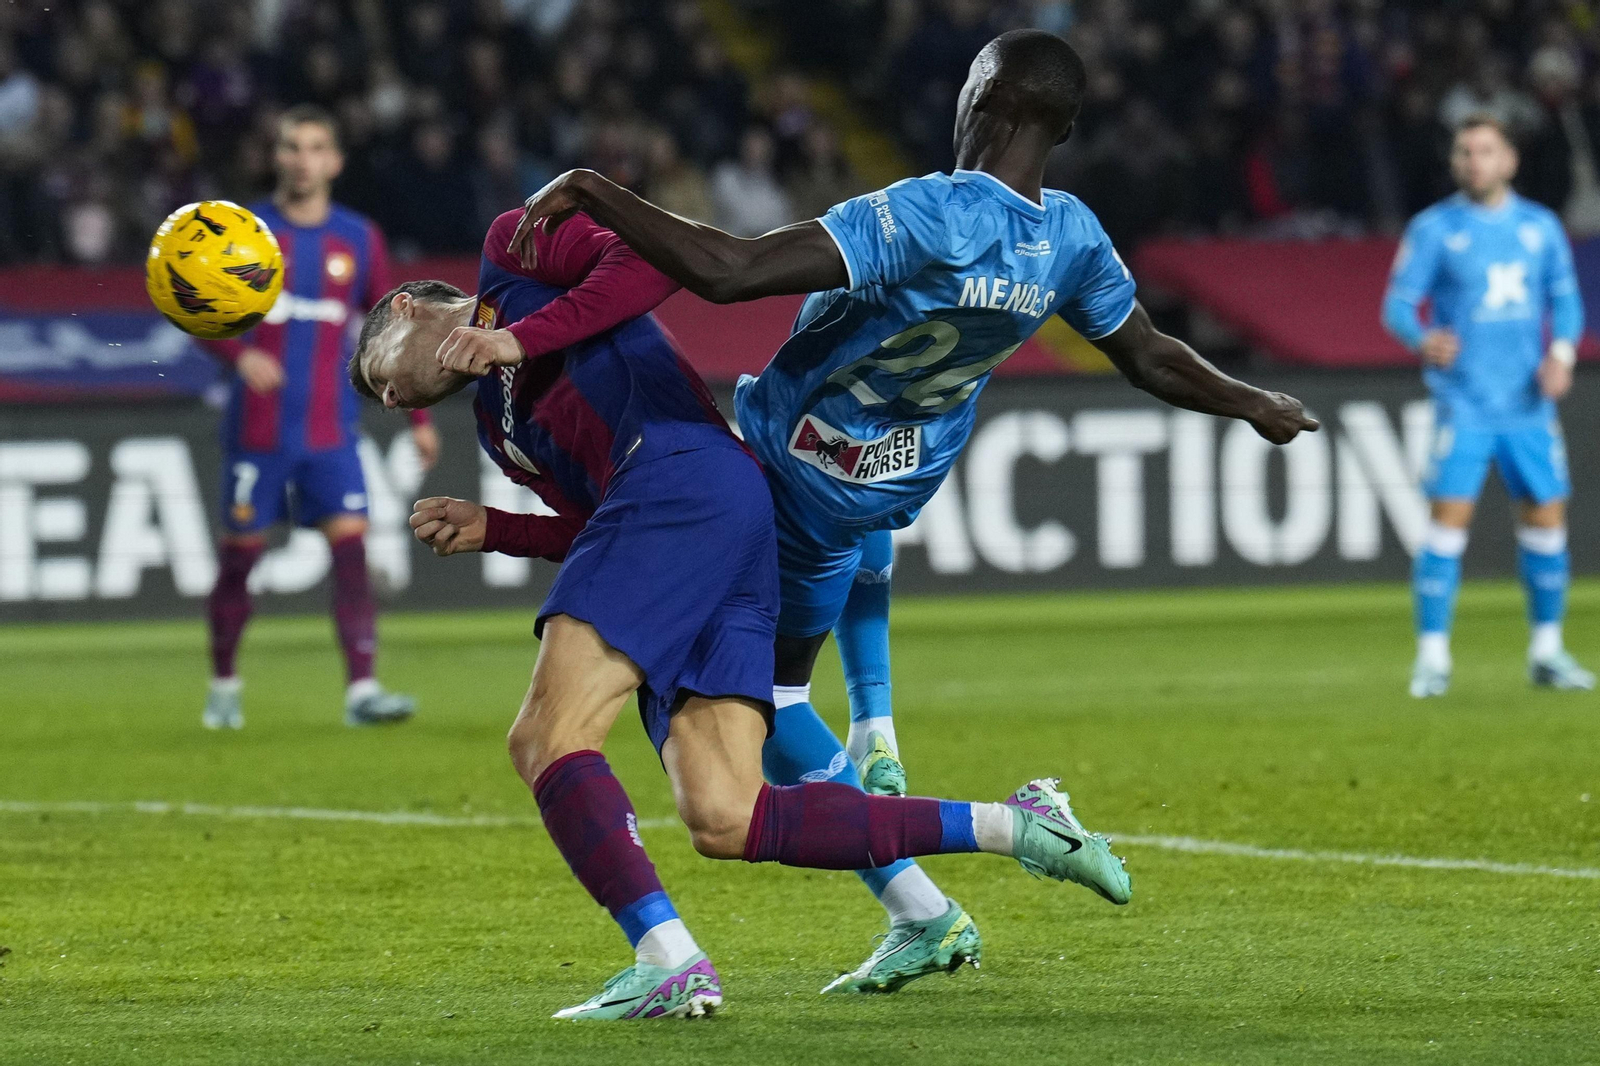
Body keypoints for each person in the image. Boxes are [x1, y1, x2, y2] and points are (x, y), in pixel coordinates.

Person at [508, 28, 1317, 992]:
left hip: (777, 470)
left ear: (995, 103)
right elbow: (1147, 354)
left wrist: (598, 189)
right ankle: (915, 872)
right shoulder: (1070, 238)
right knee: (776, 698)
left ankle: (921, 864)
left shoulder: (930, 213)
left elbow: (729, 272)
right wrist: (1254, 402)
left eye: (972, 78)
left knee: (712, 704)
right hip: (875, 487)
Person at [347, 207, 1133, 1021]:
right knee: (726, 816)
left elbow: (649, 264)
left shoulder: (512, 250)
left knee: (546, 736)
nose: (392, 397)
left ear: (404, 306)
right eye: (380, 401)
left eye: (377, 375)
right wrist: (497, 529)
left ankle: (668, 960)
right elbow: (599, 526)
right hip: (701, 523)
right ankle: (1019, 826)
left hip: (683, 475)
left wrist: (522, 337)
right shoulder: (496, 427)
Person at [199, 105, 438, 730]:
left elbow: (392, 327)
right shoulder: (244, 233)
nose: (301, 159)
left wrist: (416, 417)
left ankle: (362, 690)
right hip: (257, 430)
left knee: (352, 551)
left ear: (334, 161)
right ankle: (224, 684)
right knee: (241, 560)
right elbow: (191, 301)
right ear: (275, 157)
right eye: (289, 147)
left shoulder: (358, 239)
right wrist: (238, 353)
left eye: (314, 147)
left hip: (331, 431)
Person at [1382, 114, 1592, 697]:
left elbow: (1567, 305)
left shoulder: (1541, 227)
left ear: (1509, 161)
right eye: (1464, 152)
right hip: (1464, 405)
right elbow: (1398, 306)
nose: (1473, 161)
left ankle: (1547, 652)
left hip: (1528, 407)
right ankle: (1433, 658)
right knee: (1447, 526)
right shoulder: (1433, 229)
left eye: (1485, 151)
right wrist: (1421, 338)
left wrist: (1563, 354)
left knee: (1547, 523)